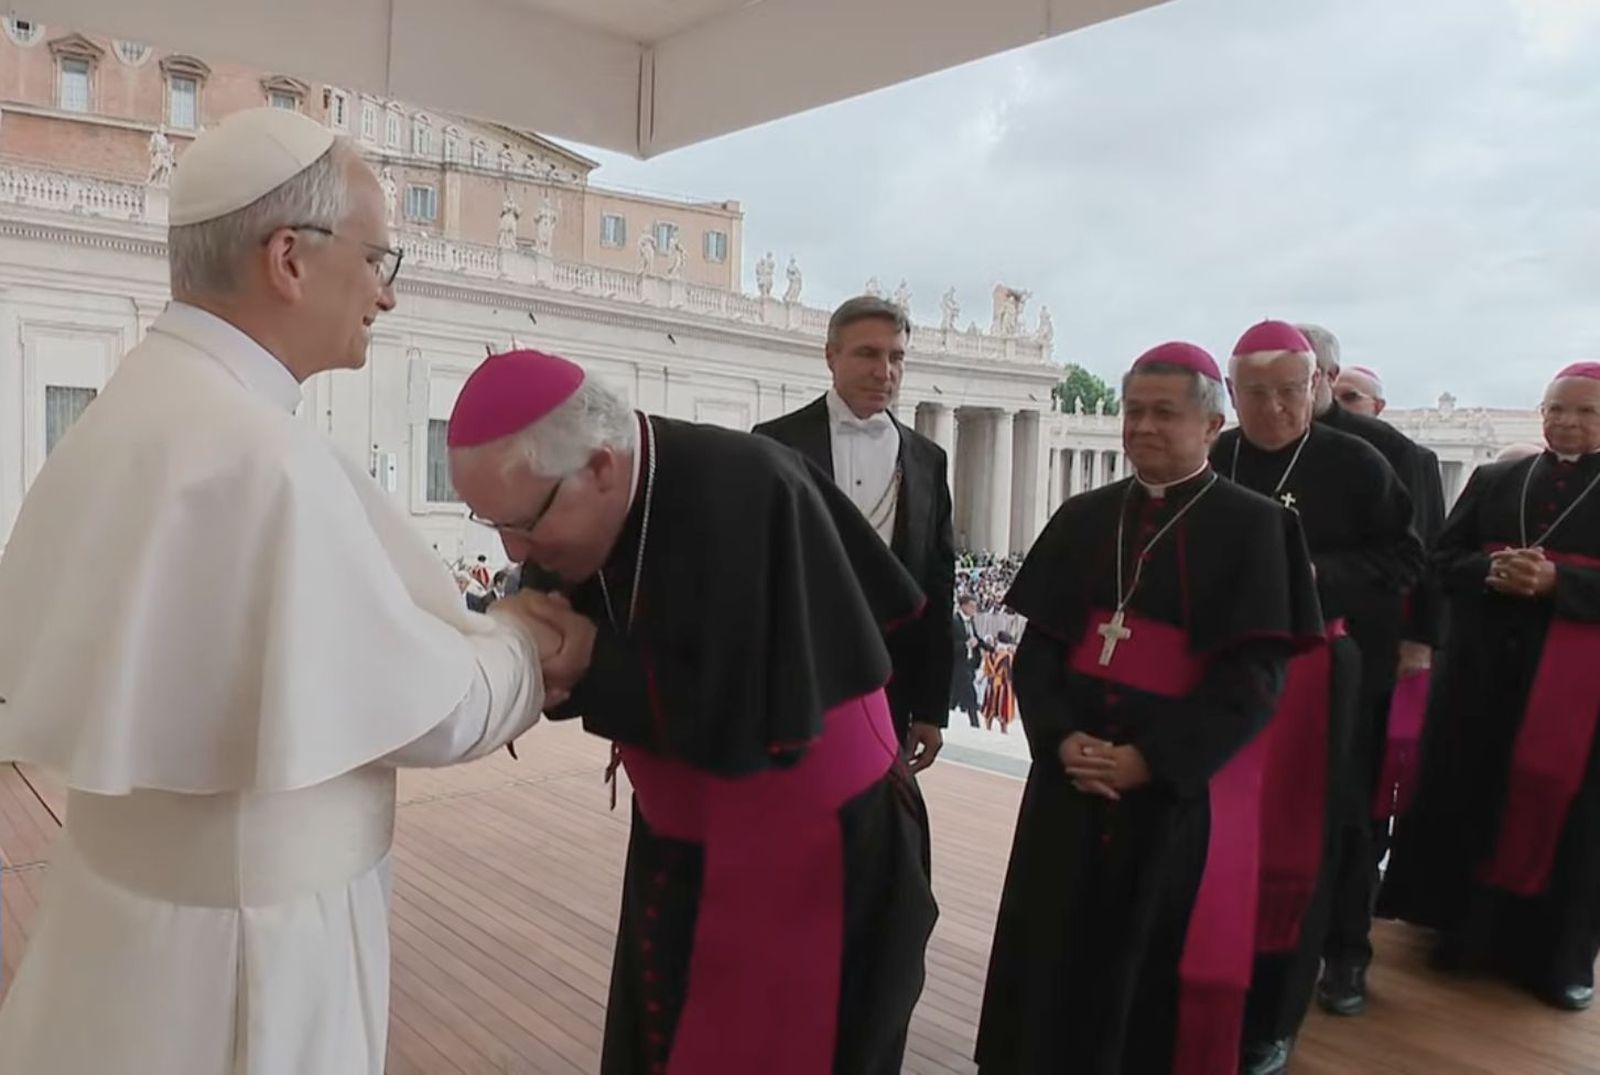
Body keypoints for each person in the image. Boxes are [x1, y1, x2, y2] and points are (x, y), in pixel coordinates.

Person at [0, 108, 594, 1074]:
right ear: (289, 258)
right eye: (378, 262)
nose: (386, 298)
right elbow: (425, 709)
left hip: (117, 935)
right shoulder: (261, 457)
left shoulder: (134, 409)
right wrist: (526, 646)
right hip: (251, 956)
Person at [445, 348, 938, 1074]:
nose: (515, 550)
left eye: (524, 521)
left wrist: (588, 661)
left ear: (602, 466)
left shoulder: (752, 490)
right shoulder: (576, 502)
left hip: (817, 847)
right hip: (685, 834)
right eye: (490, 523)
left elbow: (759, 717)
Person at [977, 342, 1321, 1074]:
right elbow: (1038, 651)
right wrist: (1060, 737)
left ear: (1211, 424)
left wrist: (1152, 761)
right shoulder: (1082, 516)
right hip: (1067, 781)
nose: (1142, 427)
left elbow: (1254, 676)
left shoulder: (1258, 527)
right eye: (1133, 411)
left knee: (1145, 961)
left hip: (1168, 794)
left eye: (1164, 412)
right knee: (1049, 946)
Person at [1217, 322, 1424, 1075]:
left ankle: (1303, 987)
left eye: (1287, 392)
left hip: (1325, 679)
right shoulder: (1219, 457)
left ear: (1316, 388)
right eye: (1254, 393)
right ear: (1232, 394)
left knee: (1320, 832)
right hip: (1229, 674)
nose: (1271, 409)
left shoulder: (1362, 463)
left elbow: (1406, 556)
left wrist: (1313, 575)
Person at [1380, 362, 1600, 1011]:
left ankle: (1560, 960)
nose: (1567, 421)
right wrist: (1492, 569)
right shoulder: (1499, 477)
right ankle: (1462, 932)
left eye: (1586, 412)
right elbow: (1442, 558)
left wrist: (1561, 584)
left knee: (1573, 818)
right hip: (1482, 677)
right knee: (1471, 792)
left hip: (1579, 692)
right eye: (1558, 408)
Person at [1300, 324, 1445, 1017]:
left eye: (1294, 378)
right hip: (1267, 658)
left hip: (1361, 655)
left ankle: (1345, 952)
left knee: (1350, 810)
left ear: (1323, 376)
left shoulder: (1394, 454)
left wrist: (1419, 641)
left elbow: (1422, 558)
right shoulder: (1241, 447)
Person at [754, 295, 955, 772]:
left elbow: (937, 590)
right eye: (868, 353)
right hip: (796, 683)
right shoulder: (774, 444)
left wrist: (931, 709)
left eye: (896, 357)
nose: (884, 370)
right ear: (831, 356)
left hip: (891, 687)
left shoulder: (928, 460)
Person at [952, 595, 986, 727]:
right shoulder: (955, 621)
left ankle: (974, 723)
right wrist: (966, 645)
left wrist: (987, 647)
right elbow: (950, 644)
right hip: (958, 666)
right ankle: (975, 724)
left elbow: (976, 638)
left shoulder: (971, 622)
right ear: (964, 605)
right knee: (968, 696)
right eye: (972, 606)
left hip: (968, 665)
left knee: (959, 696)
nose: (974, 609)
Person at [981, 631, 1017, 733]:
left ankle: (988, 727)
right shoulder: (1008, 656)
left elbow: (986, 670)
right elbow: (1010, 674)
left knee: (990, 706)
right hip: (1004, 685)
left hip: (991, 684)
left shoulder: (990, 655)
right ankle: (1003, 730)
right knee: (1003, 709)